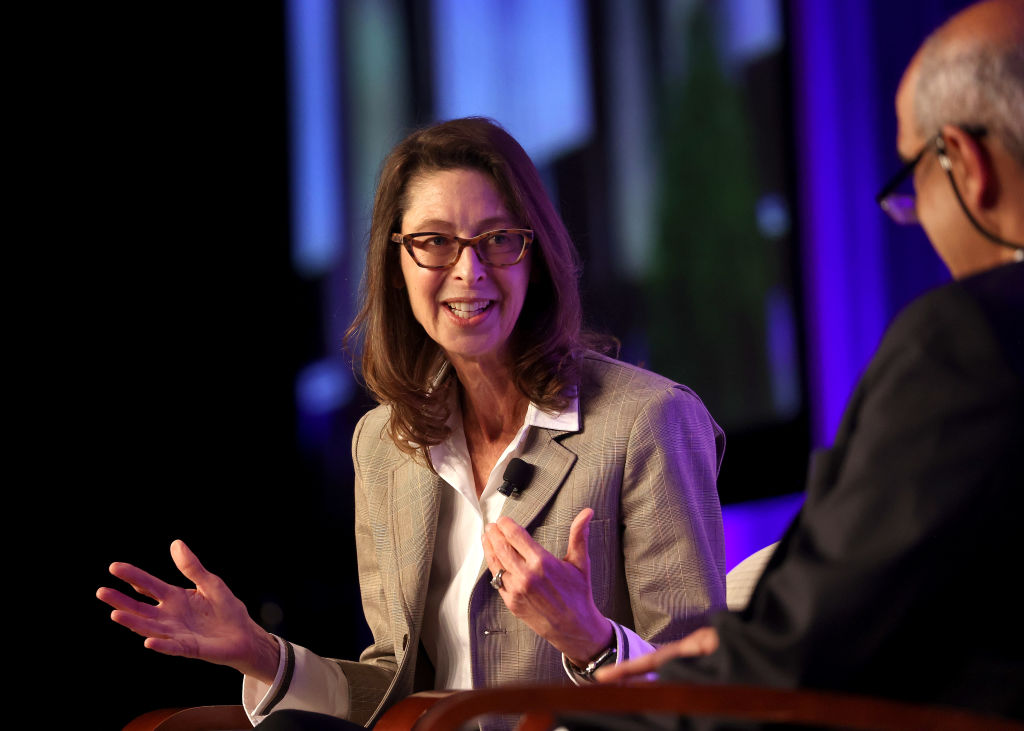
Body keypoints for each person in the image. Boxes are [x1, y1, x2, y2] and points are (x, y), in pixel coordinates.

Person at [97, 117, 728, 728]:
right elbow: (393, 690)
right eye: (434, 242)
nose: (468, 270)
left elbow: (708, 692)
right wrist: (262, 655)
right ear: (396, 263)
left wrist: (589, 640)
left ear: (534, 256)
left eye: (498, 238)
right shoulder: (382, 443)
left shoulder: (649, 421)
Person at [561, 1, 1024, 727]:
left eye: (913, 182)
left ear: (964, 162)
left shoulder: (967, 337)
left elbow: (818, 646)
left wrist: (597, 714)